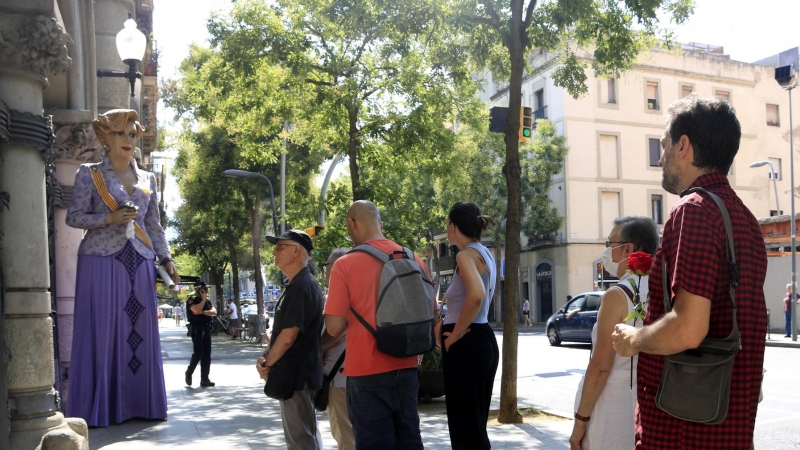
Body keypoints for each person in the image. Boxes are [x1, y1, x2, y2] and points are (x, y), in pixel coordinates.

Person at [611, 94, 768, 449]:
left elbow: (687, 329)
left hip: (683, 429)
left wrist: (633, 340)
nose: (660, 158)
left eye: (664, 145)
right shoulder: (744, 219)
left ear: (684, 146)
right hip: (728, 423)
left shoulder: (693, 210)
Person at [65, 109, 176, 427]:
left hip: (140, 261)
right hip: (100, 261)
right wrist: (108, 219)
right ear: (105, 137)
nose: (128, 140)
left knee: (139, 332)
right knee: (103, 329)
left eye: (132, 134)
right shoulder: (89, 174)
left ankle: (140, 402)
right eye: (120, 133)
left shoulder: (147, 179)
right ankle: (100, 407)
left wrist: (166, 258)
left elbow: (153, 225)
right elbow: (74, 217)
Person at [324, 200, 431, 450]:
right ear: (380, 224)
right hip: (407, 369)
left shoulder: (345, 264)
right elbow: (430, 313)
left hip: (366, 373)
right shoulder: (414, 258)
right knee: (409, 441)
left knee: (374, 443)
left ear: (352, 223)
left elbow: (334, 328)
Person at [570, 216, 659, 450]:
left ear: (628, 249)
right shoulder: (666, 289)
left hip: (614, 403)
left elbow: (600, 366)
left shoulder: (617, 295)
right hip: (653, 400)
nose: (607, 251)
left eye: (610, 244)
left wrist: (580, 420)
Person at [256, 230, 324, 449]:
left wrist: (268, 363)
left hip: (298, 376)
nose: (274, 251)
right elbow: (281, 334)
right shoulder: (296, 284)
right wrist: (266, 357)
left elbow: (288, 337)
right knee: (303, 436)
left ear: (296, 251)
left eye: (280, 246)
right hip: (293, 375)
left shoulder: (303, 285)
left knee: (302, 439)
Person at [441, 202, 499, 450]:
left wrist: (454, 334)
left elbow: (476, 295)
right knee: (474, 426)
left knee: (465, 428)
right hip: (482, 337)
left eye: (447, 224)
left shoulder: (465, 255)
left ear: (453, 227)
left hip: (468, 342)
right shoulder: (485, 253)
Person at [321, 248, 356, 450]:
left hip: (340, 377)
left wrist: (312, 349)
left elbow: (332, 334)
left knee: (345, 436)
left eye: (326, 265)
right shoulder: (360, 291)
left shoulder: (341, 294)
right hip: (355, 375)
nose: (325, 271)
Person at [185, 281, 217, 387]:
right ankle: (189, 372)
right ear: (199, 290)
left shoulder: (207, 301)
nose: (206, 291)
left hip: (207, 329)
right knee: (199, 353)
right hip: (196, 330)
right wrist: (203, 301)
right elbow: (196, 309)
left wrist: (203, 312)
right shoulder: (191, 299)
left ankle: (204, 379)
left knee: (207, 355)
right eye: (204, 289)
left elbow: (214, 312)